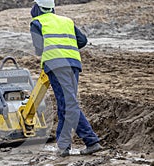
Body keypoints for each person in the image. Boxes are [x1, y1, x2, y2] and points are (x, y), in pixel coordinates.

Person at [30, 0, 103, 157]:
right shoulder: (66, 21)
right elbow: (82, 40)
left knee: (69, 104)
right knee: (66, 103)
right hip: (73, 64)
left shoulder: (37, 22)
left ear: (37, 8)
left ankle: (91, 140)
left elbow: (39, 48)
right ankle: (64, 147)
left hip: (57, 66)